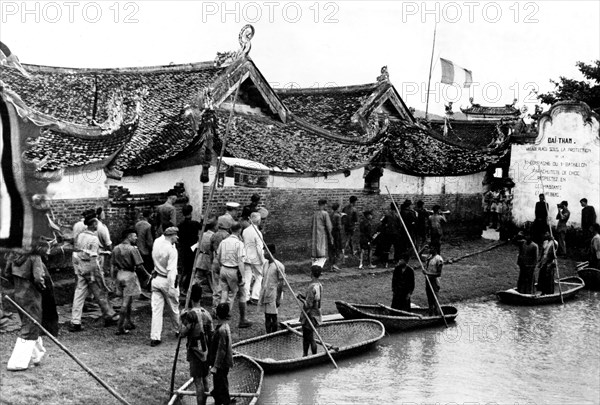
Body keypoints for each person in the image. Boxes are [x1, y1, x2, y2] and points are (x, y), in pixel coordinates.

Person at [4, 243, 58, 371]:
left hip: (19, 294)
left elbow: (6, 273)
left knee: (30, 323)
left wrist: (18, 284)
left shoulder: (13, 253)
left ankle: (37, 356)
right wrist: (43, 289)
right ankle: (17, 362)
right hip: (32, 296)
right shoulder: (35, 257)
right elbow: (39, 278)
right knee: (30, 325)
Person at [69, 214, 119, 332]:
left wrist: (77, 268)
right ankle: (109, 316)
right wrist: (93, 275)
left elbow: (80, 251)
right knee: (100, 292)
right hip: (91, 269)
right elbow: (92, 257)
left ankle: (75, 321)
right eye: (97, 223)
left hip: (80, 267)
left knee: (79, 294)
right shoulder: (94, 239)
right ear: (94, 224)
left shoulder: (80, 235)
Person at [180, 284, 213, 405]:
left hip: (195, 351)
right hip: (206, 350)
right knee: (205, 378)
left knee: (198, 381)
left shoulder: (190, 315)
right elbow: (211, 334)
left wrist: (182, 319)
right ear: (201, 297)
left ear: (191, 297)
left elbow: (183, 332)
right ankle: (205, 402)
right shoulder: (207, 314)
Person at [111, 228, 148, 335]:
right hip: (129, 275)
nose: (136, 238)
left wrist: (113, 279)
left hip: (120, 275)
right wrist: (147, 275)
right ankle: (120, 327)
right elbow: (140, 265)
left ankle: (129, 321)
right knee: (125, 302)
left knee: (128, 299)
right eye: (134, 236)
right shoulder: (132, 249)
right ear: (129, 236)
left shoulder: (116, 248)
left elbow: (112, 265)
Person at [217, 222, 252, 328]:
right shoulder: (239, 244)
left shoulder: (223, 242)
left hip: (223, 268)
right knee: (239, 294)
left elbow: (218, 257)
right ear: (239, 230)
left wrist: (222, 267)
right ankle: (242, 319)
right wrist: (243, 277)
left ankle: (220, 318)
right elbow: (241, 262)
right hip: (234, 270)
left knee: (224, 294)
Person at [150, 226, 181, 347]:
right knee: (174, 307)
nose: (177, 238)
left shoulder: (157, 242)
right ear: (171, 236)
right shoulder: (172, 251)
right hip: (167, 280)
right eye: (175, 235)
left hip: (156, 278)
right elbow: (171, 271)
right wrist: (172, 288)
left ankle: (155, 336)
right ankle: (178, 329)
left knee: (156, 310)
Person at [208, 303, 234, 405]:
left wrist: (215, 366)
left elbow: (221, 350)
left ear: (217, 314)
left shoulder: (222, 330)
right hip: (222, 364)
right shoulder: (224, 326)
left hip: (221, 365)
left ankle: (225, 402)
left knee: (222, 388)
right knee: (219, 387)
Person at [297, 265, 323, 356]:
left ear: (311, 273)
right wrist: (304, 297)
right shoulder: (319, 285)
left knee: (309, 338)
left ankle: (308, 355)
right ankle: (307, 355)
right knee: (309, 336)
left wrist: (300, 299)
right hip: (316, 313)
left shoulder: (311, 287)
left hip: (309, 314)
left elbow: (308, 304)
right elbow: (313, 299)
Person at [258, 244, 285, 333]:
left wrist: (278, 298)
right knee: (267, 315)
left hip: (274, 294)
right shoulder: (265, 264)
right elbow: (264, 278)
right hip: (266, 293)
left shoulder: (279, 266)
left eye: (265, 251)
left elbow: (281, 283)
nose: (264, 253)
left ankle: (274, 334)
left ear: (271, 252)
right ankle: (268, 334)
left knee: (273, 315)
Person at [242, 212, 266, 305]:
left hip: (247, 257)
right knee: (259, 277)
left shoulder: (245, 231)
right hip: (256, 258)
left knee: (247, 278)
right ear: (258, 221)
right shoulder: (258, 233)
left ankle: (246, 296)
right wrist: (262, 259)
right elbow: (259, 249)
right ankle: (255, 296)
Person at [178, 204, 203, 294]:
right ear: (191, 213)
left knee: (184, 270)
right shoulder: (194, 224)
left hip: (184, 250)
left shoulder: (180, 225)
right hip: (192, 250)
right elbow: (204, 227)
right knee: (190, 270)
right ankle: (185, 287)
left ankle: (180, 287)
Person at [209, 218, 231, 313]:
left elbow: (210, 250)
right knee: (225, 287)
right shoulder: (227, 236)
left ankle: (215, 308)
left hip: (215, 260)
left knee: (215, 286)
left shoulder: (214, 235)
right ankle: (222, 309)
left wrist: (211, 261)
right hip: (224, 262)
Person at [194, 218, 216, 291]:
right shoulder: (213, 236)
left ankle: (194, 289)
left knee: (198, 276)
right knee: (210, 277)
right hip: (208, 257)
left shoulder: (202, 235)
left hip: (200, 256)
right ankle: (214, 291)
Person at [135, 209, 154, 290]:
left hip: (138, 249)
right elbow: (149, 241)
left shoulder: (137, 224)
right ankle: (146, 285)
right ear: (149, 215)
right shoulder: (148, 226)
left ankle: (139, 285)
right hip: (145, 250)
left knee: (139, 268)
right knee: (147, 268)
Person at [311, 199, 333, 269]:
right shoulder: (325, 213)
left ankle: (314, 267)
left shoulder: (315, 213)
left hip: (315, 236)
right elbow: (329, 226)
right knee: (322, 253)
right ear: (324, 205)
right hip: (322, 236)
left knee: (315, 252)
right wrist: (331, 236)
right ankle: (319, 269)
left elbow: (312, 226)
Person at [378, 203, 402, 267]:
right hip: (395, 234)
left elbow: (381, 222)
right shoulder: (398, 215)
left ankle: (386, 262)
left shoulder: (387, 214)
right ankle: (396, 261)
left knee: (387, 248)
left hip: (388, 234)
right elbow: (400, 225)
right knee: (397, 248)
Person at [424, 247, 443, 316]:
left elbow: (439, 273)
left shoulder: (439, 259)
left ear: (435, 249)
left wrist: (427, 273)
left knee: (435, 300)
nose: (429, 249)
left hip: (434, 281)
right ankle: (430, 314)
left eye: (431, 248)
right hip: (428, 280)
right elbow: (419, 255)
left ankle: (437, 315)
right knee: (429, 299)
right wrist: (423, 248)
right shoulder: (429, 257)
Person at [329, 202, 343, 271]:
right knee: (338, 249)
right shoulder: (338, 216)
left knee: (332, 250)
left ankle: (331, 266)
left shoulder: (330, 214)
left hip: (331, 233)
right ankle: (335, 265)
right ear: (337, 208)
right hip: (336, 234)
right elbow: (339, 227)